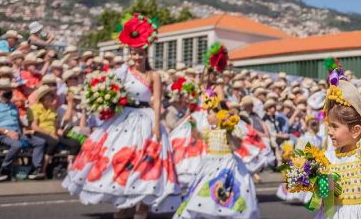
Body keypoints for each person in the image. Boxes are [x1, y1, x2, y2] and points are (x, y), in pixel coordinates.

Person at [63, 14, 179, 219]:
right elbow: (104, 87)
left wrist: (157, 127)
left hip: (146, 119)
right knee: (122, 161)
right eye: (133, 53)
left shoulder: (154, 76)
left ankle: (142, 208)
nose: (136, 57)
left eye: (140, 53)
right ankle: (124, 207)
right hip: (123, 119)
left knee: (146, 165)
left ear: (146, 54)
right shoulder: (122, 72)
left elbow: (158, 102)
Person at [318, 71, 361, 218]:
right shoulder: (327, 157)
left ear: (355, 130)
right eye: (329, 126)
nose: (329, 132)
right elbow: (325, 196)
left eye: (335, 127)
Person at [171, 103, 258, 219]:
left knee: (223, 194)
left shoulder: (232, 129)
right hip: (211, 165)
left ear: (219, 115)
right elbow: (198, 136)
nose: (207, 117)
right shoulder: (209, 130)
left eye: (210, 114)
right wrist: (193, 125)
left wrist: (229, 132)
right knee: (203, 192)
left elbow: (236, 146)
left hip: (227, 165)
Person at [0, 78, 46, 180]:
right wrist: (7, 132)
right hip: (1, 134)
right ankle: (5, 168)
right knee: (17, 145)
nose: (10, 92)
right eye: (7, 90)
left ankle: (35, 169)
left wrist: (25, 130)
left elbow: (18, 121)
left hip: (17, 133)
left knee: (40, 142)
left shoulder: (12, 105)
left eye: (10, 89)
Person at [29, 85, 80, 176]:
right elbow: (34, 127)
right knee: (53, 142)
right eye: (50, 96)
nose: (53, 98)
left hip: (53, 133)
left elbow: (56, 126)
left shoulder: (52, 110)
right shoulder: (35, 108)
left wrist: (60, 131)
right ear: (44, 98)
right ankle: (43, 169)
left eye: (52, 95)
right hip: (41, 132)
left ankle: (70, 167)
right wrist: (49, 133)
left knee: (75, 143)